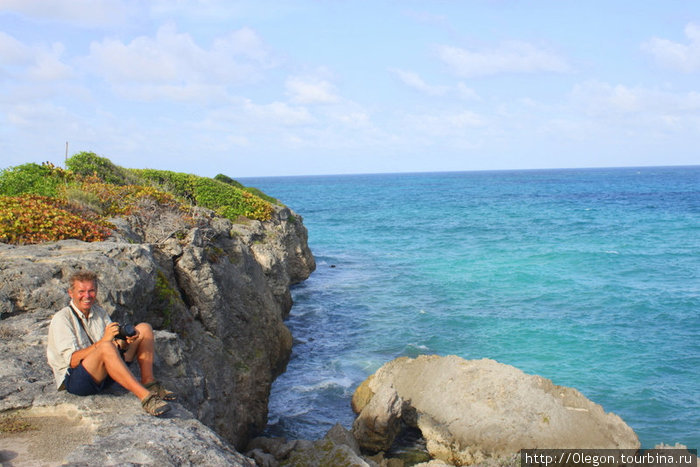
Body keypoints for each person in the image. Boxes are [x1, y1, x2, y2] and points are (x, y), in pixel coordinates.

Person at [46, 270, 175, 416]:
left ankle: (149, 383)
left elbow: (114, 344)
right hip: (76, 380)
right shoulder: (62, 319)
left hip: (104, 370)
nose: (87, 296)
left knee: (144, 329)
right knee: (106, 346)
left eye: (91, 291)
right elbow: (73, 361)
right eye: (81, 291)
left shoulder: (99, 312)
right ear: (71, 293)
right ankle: (146, 397)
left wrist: (125, 342)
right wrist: (104, 342)